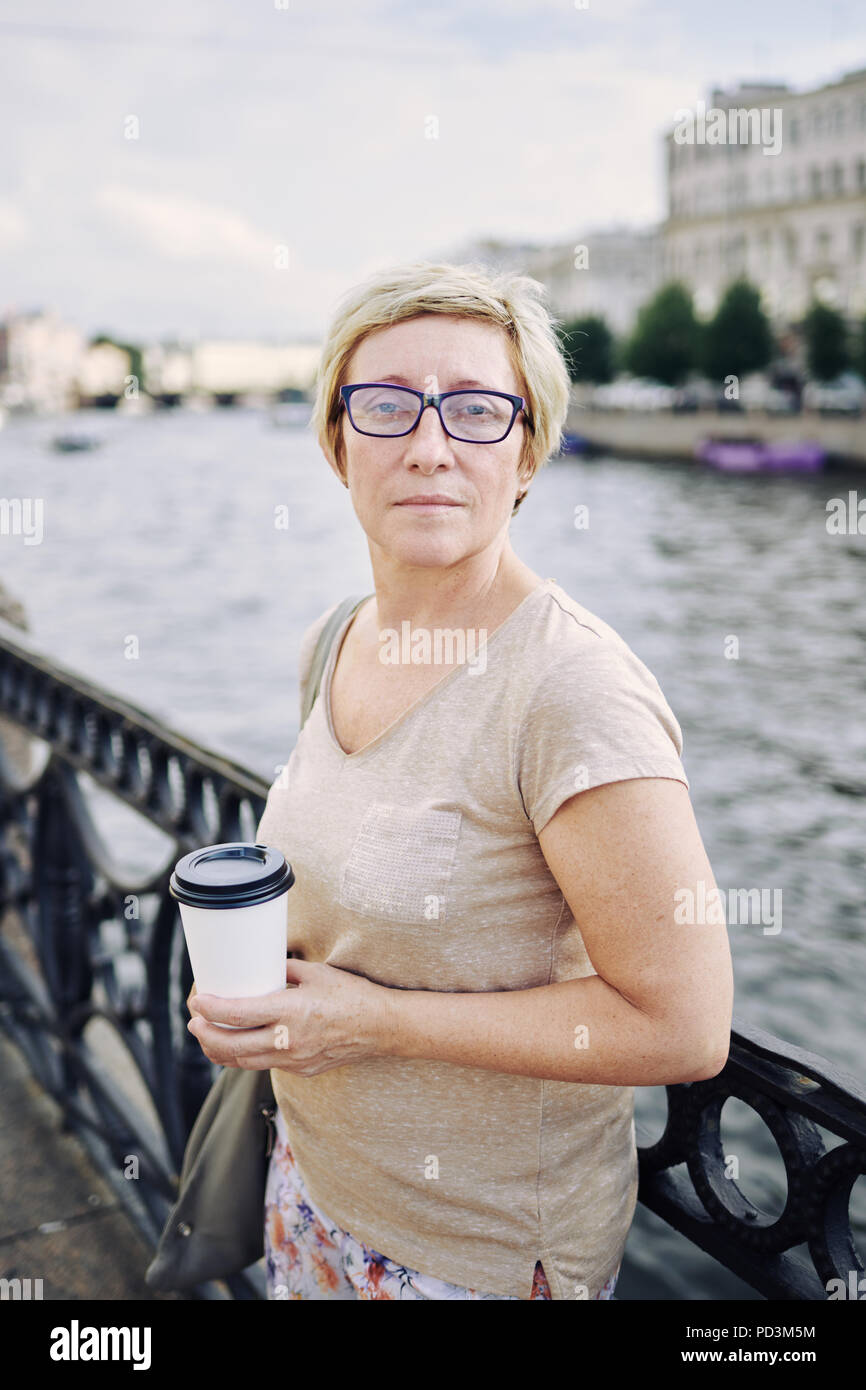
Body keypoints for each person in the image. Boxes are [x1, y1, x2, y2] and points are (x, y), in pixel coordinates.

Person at [186, 260, 734, 1300]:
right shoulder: (334, 640)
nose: (429, 447)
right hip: (312, 1190)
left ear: (525, 454)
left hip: (472, 1257)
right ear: (334, 443)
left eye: (477, 411)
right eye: (386, 406)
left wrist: (371, 1020)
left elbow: (683, 1026)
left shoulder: (569, 688)